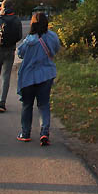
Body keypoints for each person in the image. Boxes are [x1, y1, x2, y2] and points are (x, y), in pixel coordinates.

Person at [16, 12, 61, 146]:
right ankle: (44, 133)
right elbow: (56, 49)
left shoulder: (29, 41)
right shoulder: (52, 36)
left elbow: (20, 54)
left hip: (29, 76)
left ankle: (25, 133)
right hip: (46, 75)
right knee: (44, 104)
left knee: (27, 104)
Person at [0, 0, 23, 112]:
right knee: (6, 76)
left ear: (2, 7)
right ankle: (2, 103)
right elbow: (19, 36)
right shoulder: (17, 20)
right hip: (10, 50)